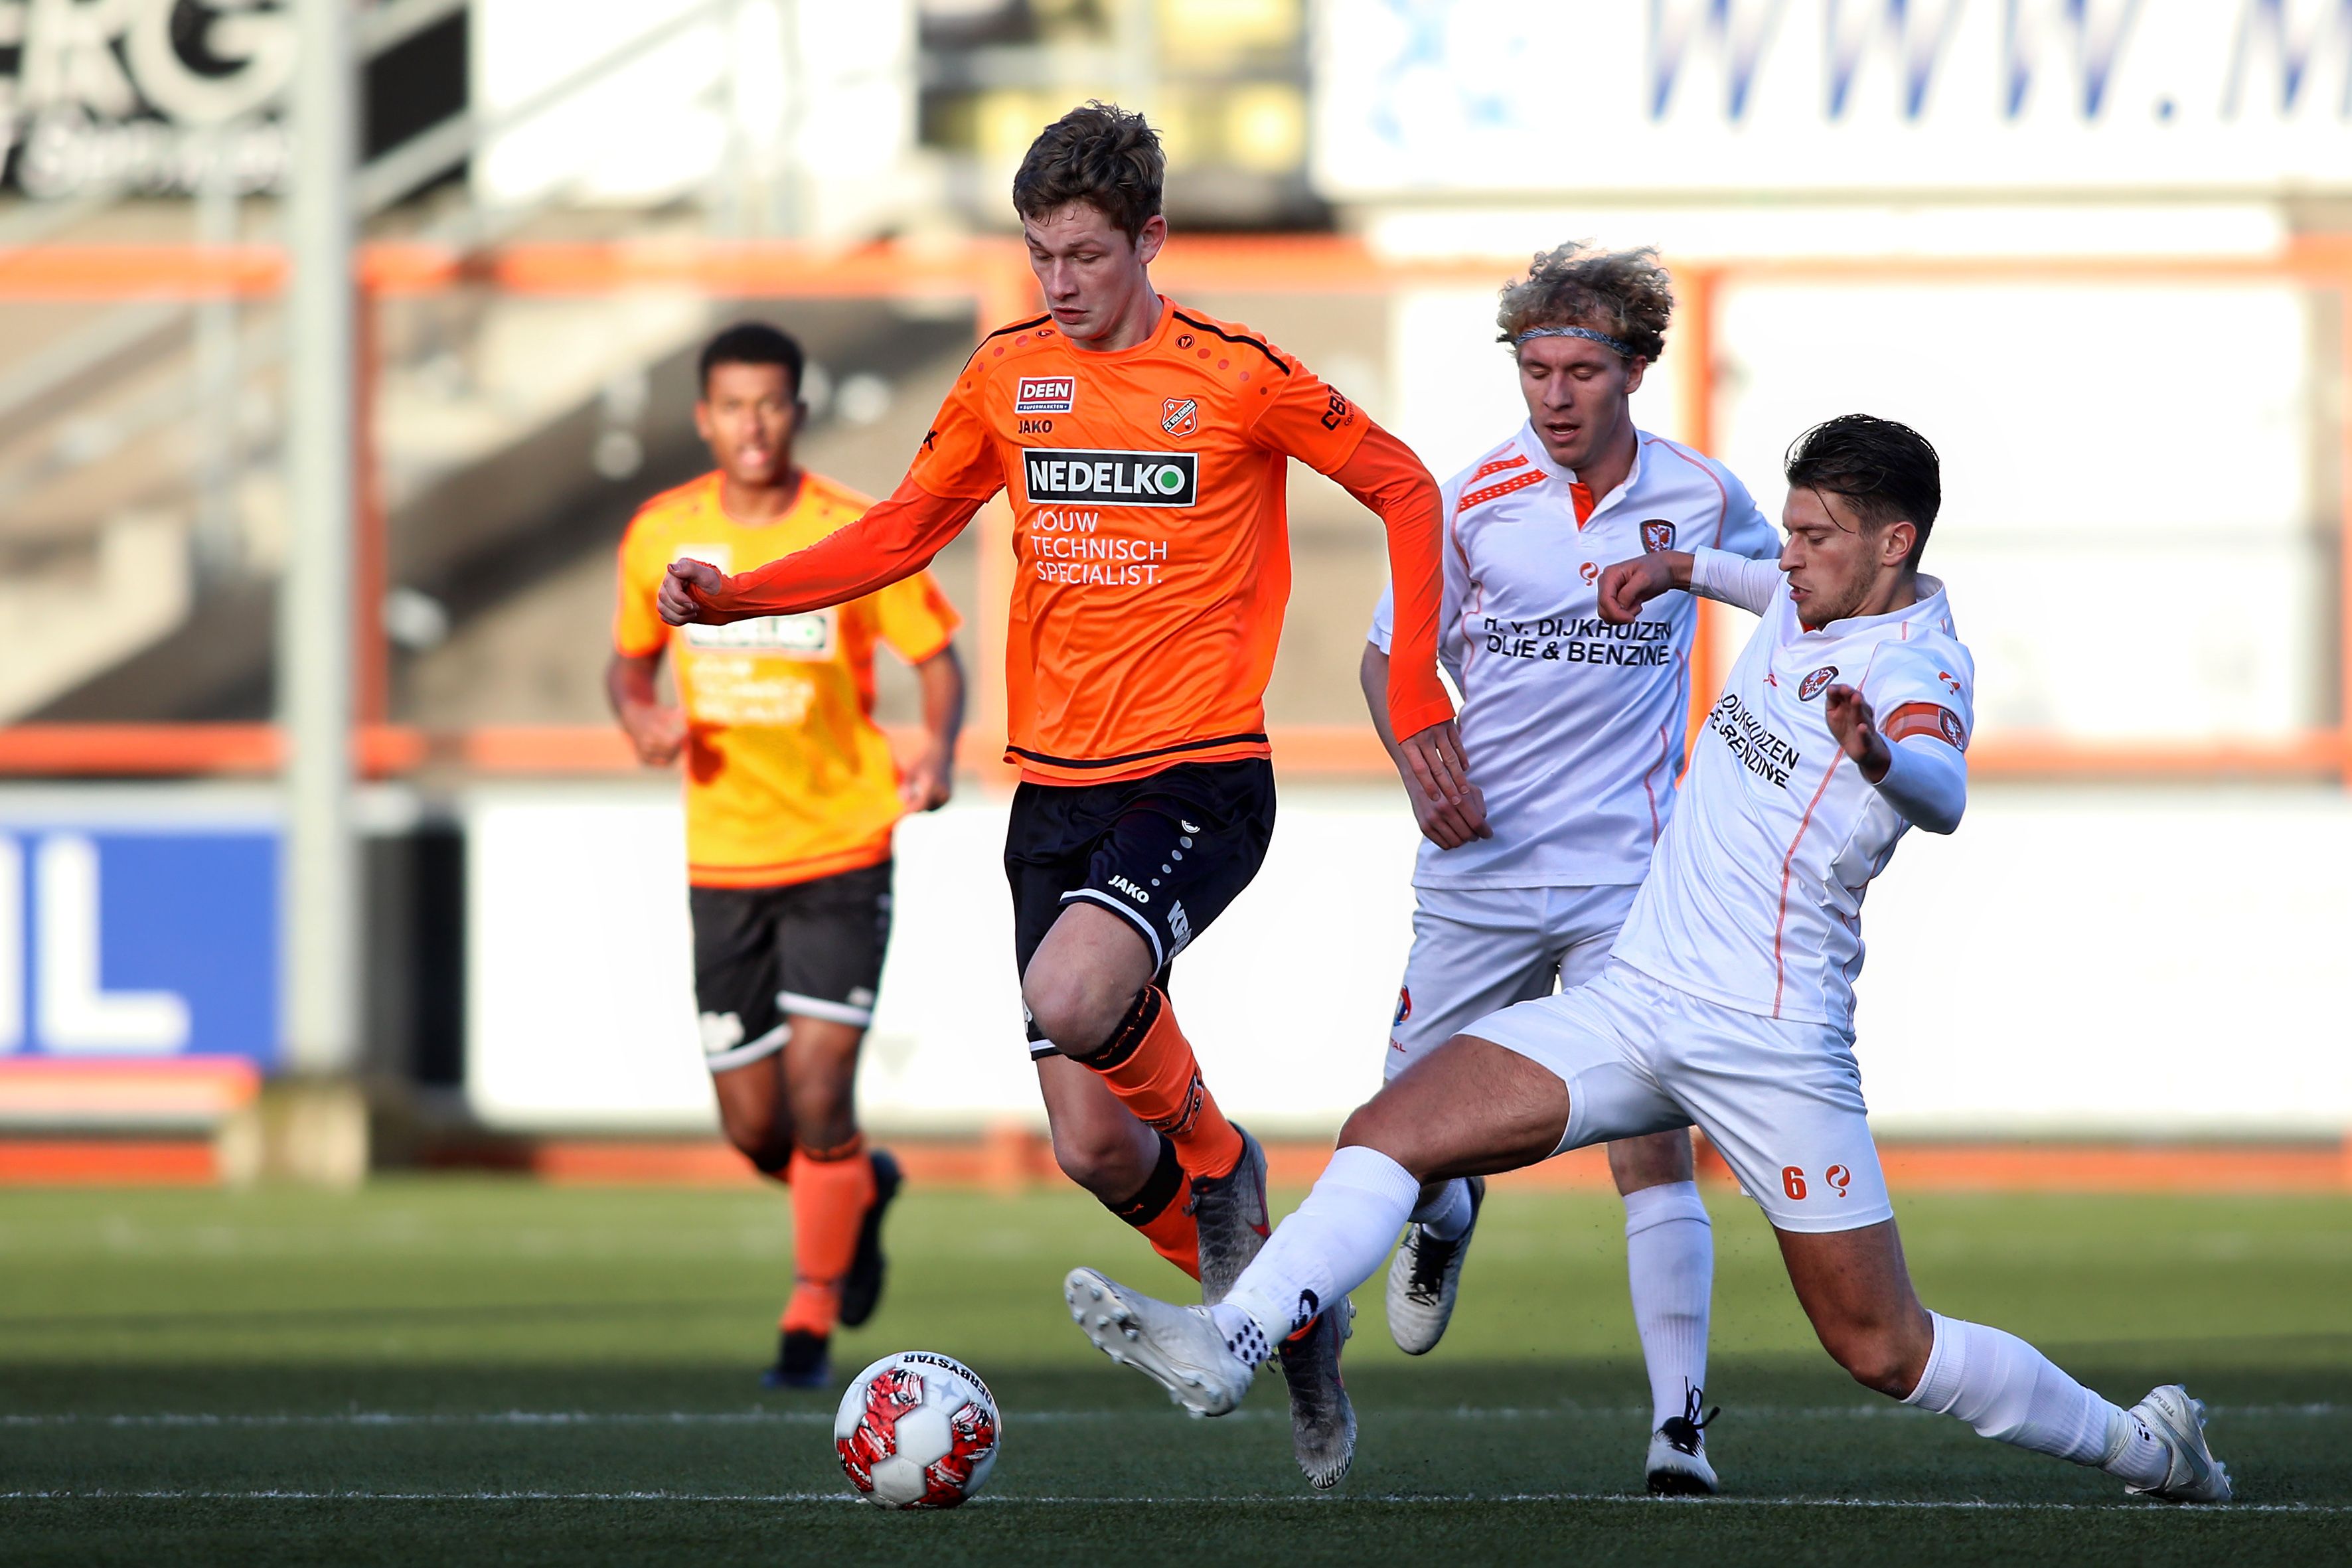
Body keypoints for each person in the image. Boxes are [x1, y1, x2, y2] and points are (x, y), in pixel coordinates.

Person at [1063, 415, 2232, 1506]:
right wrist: (1672, 570)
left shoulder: (1918, 668)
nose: (1791, 551)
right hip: (1635, 1000)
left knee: (1882, 1345)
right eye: (1789, 524)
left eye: (1819, 533)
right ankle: (1235, 1340)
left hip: (1768, 1037)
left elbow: (1946, 792)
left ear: (1896, 541)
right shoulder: (1805, 589)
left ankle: (2146, 1444)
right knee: (1391, 1130)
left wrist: (1879, 759)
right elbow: (1748, 576)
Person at [655, 105, 1465, 1488]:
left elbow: (1401, 484)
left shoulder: (1236, 375)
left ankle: (1221, 1169)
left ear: (1151, 238)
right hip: (1054, 793)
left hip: (1198, 770)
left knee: (1088, 998)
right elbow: (903, 526)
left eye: (1085, 254)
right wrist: (738, 599)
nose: (1059, 282)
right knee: (1092, 1139)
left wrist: (1416, 694)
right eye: (1038, 254)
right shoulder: (1005, 375)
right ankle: (1292, 1320)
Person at [1360, 242, 1780, 1494]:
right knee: (1404, 1138)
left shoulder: (1704, 497)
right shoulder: (1470, 496)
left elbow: (1805, 597)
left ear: (1637, 369)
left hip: (1631, 884)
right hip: (1480, 874)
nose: (1553, 393)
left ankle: (1680, 1430)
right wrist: (1416, 750)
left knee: (1655, 1141)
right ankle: (1447, 1219)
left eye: (1581, 368)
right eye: (1535, 367)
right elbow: (1392, 660)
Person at [610, 321, 967, 1389]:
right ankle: (863, 1186)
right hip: (724, 859)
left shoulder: (850, 530)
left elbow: (937, 654)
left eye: (772, 404)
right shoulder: (660, 535)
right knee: (757, 1127)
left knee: (819, 1099)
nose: (753, 424)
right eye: (733, 405)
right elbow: (628, 668)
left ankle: (807, 1325)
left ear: (798, 413)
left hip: (841, 842)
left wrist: (937, 749)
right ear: (704, 418)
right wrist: (640, 718)